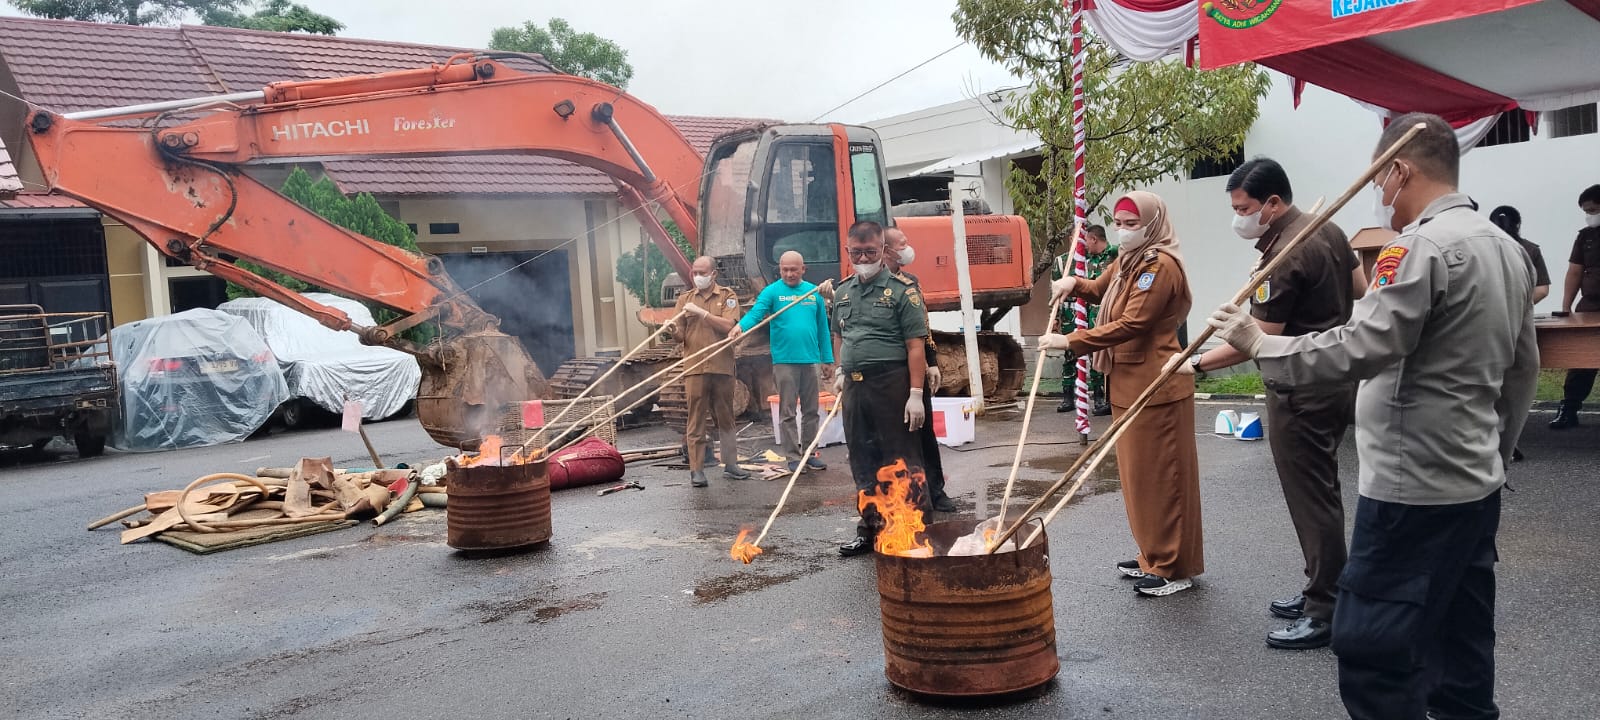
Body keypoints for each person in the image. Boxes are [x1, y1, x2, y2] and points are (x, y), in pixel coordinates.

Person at [1206, 112, 1538, 720]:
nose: (1381, 193)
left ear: (1399, 170)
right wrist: (1496, 454)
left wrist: (1260, 346)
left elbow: (1362, 345)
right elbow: (1523, 370)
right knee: (1460, 641)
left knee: (1373, 649)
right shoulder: (1506, 248)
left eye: (1381, 180)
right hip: (1475, 481)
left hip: (1414, 489)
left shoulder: (1417, 248)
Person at [1178, 157, 1357, 649]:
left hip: (1301, 390)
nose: (1239, 218)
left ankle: (1326, 608)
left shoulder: (1286, 255)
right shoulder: (1327, 229)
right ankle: (1324, 583)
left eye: (1244, 209)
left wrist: (1195, 364)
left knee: (1312, 499)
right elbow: (1360, 289)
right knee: (1322, 491)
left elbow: (1254, 338)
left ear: (1273, 203)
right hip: (1334, 378)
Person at [1042, 191, 1203, 597]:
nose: (1123, 231)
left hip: (1156, 384)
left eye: (1132, 224)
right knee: (1138, 479)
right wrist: (1074, 284)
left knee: (1164, 479)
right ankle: (1152, 553)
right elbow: (1100, 288)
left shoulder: (1158, 265)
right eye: (1119, 223)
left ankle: (1173, 567)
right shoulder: (1129, 259)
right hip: (1126, 381)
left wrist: (1072, 341)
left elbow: (1134, 322)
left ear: (1152, 223)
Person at [833, 221, 930, 557]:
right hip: (855, 388)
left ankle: (913, 531)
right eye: (857, 252)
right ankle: (870, 529)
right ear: (848, 250)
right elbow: (839, 335)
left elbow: (915, 345)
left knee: (900, 459)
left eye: (870, 252)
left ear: (883, 251)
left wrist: (915, 395)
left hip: (891, 384)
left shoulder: (903, 291)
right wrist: (840, 369)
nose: (863, 258)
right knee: (863, 458)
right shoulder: (843, 292)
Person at [729, 251, 832, 474]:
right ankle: (793, 457)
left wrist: (827, 359)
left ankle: (809, 453)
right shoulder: (772, 292)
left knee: (812, 411)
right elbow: (756, 313)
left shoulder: (813, 293)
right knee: (787, 412)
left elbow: (823, 328)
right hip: (785, 361)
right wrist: (741, 327)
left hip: (811, 361)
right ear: (780, 270)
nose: (789, 274)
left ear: (803, 269)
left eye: (794, 269)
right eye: (785, 270)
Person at [884, 227, 956, 513]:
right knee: (893, 434)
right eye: (902, 244)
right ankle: (903, 495)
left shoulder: (910, 282)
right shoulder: (869, 284)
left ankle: (936, 491)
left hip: (915, 368)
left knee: (924, 432)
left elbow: (923, 325)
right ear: (887, 250)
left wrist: (932, 361)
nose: (908, 248)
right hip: (887, 371)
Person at [667, 256, 750, 487]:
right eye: (694, 272)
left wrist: (702, 314)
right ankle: (697, 470)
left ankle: (731, 464)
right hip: (695, 367)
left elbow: (729, 326)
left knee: (725, 417)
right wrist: (672, 329)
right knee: (695, 419)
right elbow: (680, 335)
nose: (697, 277)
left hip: (721, 366)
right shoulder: (685, 299)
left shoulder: (727, 296)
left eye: (702, 273)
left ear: (713, 274)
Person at [1551, 184, 1600, 429]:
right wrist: (1566, 307)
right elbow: (1574, 272)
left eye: (1592, 210)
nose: (1589, 216)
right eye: (1586, 212)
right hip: (1590, 305)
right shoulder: (1586, 236)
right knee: (1581, 359)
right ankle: (1569, 409)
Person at [1054, 224, 1117, 415]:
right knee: (1070, 352)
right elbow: (1055, 292)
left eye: (1084, 238)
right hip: (1070, 313)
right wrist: (1055, 318)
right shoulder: (1062, 262)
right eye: (1077, 237)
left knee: (1096, 353)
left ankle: (1099, 396)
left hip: (1094, 311)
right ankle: (1068, 396)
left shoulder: (1102, 257)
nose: (1080, 242)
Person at [1488, 205, 1551, 304]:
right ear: (1518, 225)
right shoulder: (1531, 249)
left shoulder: (1480, 248)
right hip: (1520, 310)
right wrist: (1521, 306)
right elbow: (1542, 290)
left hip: (1485, 309)